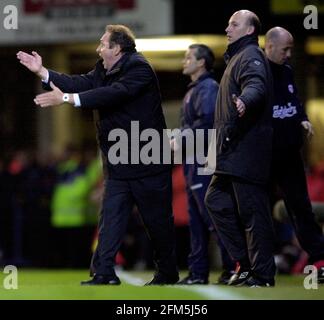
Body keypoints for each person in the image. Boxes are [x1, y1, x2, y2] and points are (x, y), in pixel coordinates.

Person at [17, 24, 179, 285]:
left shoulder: (139, 68)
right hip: (117, 159)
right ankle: (103, 272)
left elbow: (114, 94)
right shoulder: (104, 68)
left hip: (148, 158)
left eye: (102, 44)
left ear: (117, 48)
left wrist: (68, 100)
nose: (98, 48)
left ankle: (167, 273)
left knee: (157, 222)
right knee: (110, 218)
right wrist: (43, 72)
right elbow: (80, 82)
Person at [204, 10, 276, 287]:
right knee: (216, 201)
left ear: (249, 31)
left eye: (234, 24)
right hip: (229, 151)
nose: (227, 28)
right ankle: (245, 265)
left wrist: (246, 100)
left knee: (253, 212)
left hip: (246, 149)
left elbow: (256, 85)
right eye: (228, 23)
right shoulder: (236, 57)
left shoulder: (250, 56)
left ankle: (263, 275)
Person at [265, 26, 324, 283]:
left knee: (301, 207)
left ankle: (320, 260)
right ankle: (246, 264)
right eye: (285, 49)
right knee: (252, 207)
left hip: (288, 153)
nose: (289, 54)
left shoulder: (287, 72)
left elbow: (294, 102)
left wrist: (302, 119)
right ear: (269, 46)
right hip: (262, 154)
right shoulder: (257, 73)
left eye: (291, 48)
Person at [174, 44, 234, 285]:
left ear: (201, 63)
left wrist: (181, 138)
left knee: (212, 218)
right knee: (197, 221)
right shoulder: (196, 89)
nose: (184, 61)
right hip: (193, 162)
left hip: (204, 162)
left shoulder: (207, 88)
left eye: (188, 57)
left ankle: (234, 267)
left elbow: (208, 124)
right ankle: (198, 273)